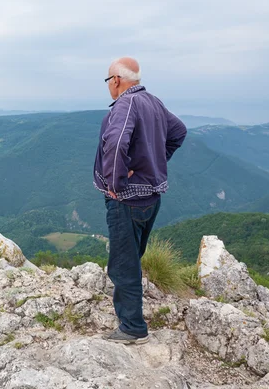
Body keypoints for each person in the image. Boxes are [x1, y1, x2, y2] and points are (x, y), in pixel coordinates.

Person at [93, 57, 187, 344]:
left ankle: (132, 327)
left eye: (108, 80)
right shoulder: (153, 102)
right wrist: (153, 163)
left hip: (127, 200)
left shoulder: (125, 105)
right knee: (132, 259)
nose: (109, 86)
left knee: (124, 264)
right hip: (150, 198)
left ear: (117, 80)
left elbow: (117, 143)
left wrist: (116, 183)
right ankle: (130, 316)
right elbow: (179, 131)